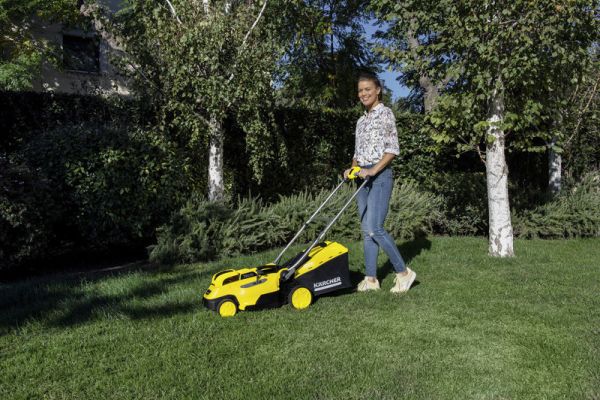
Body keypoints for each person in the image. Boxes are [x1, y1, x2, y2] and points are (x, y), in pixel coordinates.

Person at [343, 72, 416, 293]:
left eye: (367, 89)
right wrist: (353, 168)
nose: (363, 93)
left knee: (375, 228)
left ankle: (404, 272)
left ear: (377, 90)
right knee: (366, 230)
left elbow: (393, 149)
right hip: (362, 177)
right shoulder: (360, 121)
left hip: (380, 176)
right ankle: (371, 279)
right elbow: (358, 152)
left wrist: (373, 170)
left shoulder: (385, 114)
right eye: (360, 90)